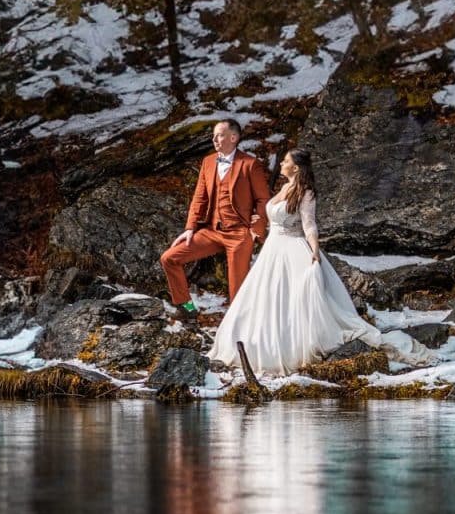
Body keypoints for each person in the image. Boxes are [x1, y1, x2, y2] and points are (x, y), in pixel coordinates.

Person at [205, 149, 385, 376]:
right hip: (273, 249)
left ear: (296, 168)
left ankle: (287, 350)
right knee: (262, 298)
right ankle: (251, 345)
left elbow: (309, 224)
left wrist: (315, 249)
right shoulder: (284, 188)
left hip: (292, 247)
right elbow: (274, 216)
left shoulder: (306, 193)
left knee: (290, 299)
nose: (281, 163)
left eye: (286, 161)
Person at [159, 119, 270, 321]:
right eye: (214, 135)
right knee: (169, 258)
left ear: (233, 138)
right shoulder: (208, 162)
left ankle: (242, 332)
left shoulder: (250, 164)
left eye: (219, 135)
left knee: (237, 292)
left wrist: (256, 229)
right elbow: (199, 197)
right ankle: (187, 307)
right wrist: (190, 227)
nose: (214, 139)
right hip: (211, 231)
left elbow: (263, 199)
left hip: (239, 233)